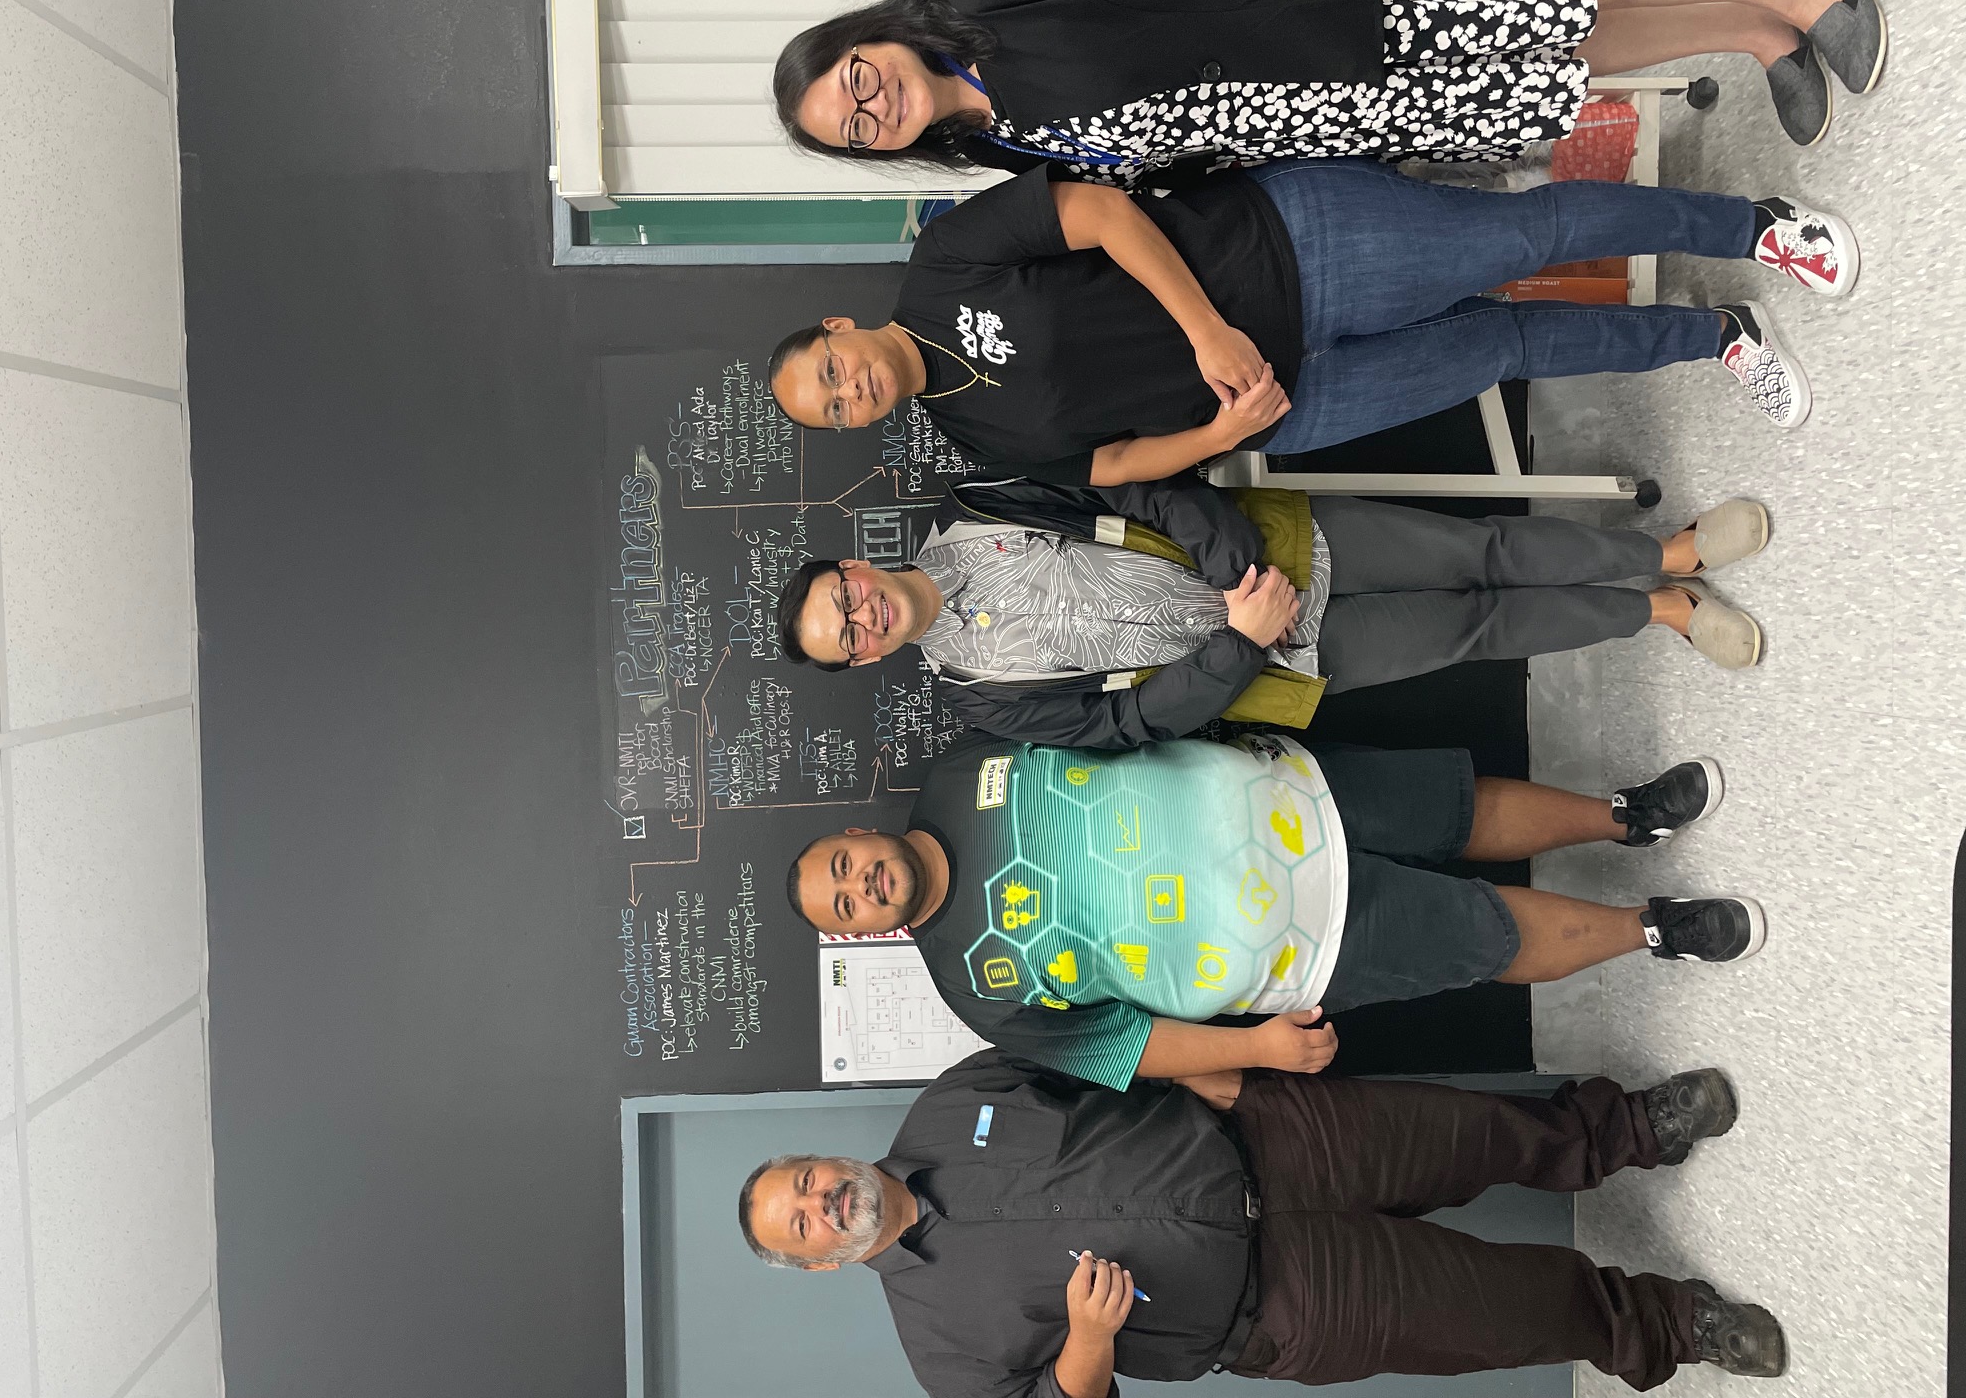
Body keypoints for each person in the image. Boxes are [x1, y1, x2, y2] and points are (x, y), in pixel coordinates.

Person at [735, 1051, 1787, 1393]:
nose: (825, 1203)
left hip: (1269, 1137)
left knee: (1478, 1133)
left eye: (809, 1182)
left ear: (823, 1158)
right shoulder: (938, 1348)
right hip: (1277, 1303)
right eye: (806, 1225)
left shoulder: (948, 1099)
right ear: (820, 1263)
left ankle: (1633, 1130)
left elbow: (1111, 1050)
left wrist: (1228, 1069)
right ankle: (1671, 1325)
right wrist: (1090, 1346)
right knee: (1500, 1312)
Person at [766, 163, 1857, 483]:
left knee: (1523, 242)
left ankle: (1755, 227)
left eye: (826, 371)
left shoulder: (943, 262)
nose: (844, 392)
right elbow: (1108, 463)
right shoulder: (973, 444)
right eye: (831, 411)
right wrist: (1227, 430)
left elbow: (1097, 213)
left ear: (835, 327)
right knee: (1507, 347)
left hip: (1288, 253)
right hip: (1291, 408)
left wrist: (1204, 336)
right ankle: (1719, 338)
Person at [785, 732, 1760, 1090]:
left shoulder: (960, 768)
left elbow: (1110, 711)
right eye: (843, 904)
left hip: (1285, 794)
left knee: (1460, 808)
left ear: (855, 836)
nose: (857, 884)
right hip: (1299, 953)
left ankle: (1626, 816)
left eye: (841, 864)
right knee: (1482, 934)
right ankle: (1654, 930)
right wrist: (1253, 1050)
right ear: (859, 932)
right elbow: (1126, 1047)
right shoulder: (973, 990)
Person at [774, 0, 1887, 177]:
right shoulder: (998, 147)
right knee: (1563, 55)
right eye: (854, 129)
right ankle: (1754, 39)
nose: (872, 107)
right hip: (1337, 99)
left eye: (854, 82)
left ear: (869, 39)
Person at [774, 477, 1770, 748]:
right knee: (1478, 628)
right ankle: (1664, 613)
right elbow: (1123, 724)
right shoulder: (978, 699)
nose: (860, 619)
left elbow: (1123, 484)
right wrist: (1240, 646)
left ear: (856, 566)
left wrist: (1234, 563)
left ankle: (1665, 553)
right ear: (864, 661)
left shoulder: (975, 505)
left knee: (1482, 549)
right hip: (1273, 663)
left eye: (841, 600)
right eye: (845, 638)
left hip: (1272, 550)